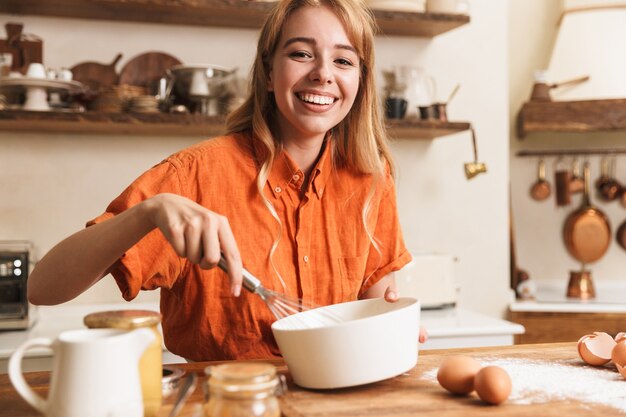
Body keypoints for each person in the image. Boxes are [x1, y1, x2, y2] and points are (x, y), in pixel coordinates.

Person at [28, 0, 427, 361]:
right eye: (302, 54)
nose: (322, 74)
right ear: (269, 73)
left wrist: (393, 329)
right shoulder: (193, 176)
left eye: (343, 61)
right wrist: (148, 212)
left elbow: (374, 309)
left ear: (360, 81)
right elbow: (42, 289)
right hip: (222, 401)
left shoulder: (371, 179)